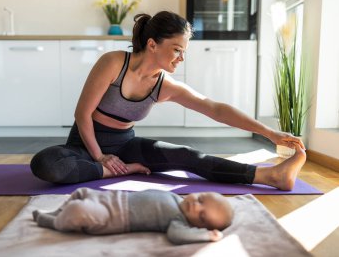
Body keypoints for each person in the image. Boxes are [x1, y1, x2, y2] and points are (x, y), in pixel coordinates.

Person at [30, 11, 306, 191]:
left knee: (187, 155)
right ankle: (110, 171)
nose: (181, 58)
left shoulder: (165, 86)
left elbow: (215, 109)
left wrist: (269, 133)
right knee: (46, 163)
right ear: (152, 44)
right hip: (85, 145)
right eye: (176, 50)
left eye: (183, 51)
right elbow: (82, 114)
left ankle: (270, 176)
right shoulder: (113, 63)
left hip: (126, 146)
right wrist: (101, 158)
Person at [33, 188, 233, 244]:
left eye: (202, 217)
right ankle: (56, 212)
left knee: (79, 210)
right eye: (201, 198)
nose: (195, 206)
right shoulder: (175, 198)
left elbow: (177, 236)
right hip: (114, 197)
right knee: (81, 193)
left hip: (113, 217)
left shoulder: (178, 222)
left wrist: (206, 236)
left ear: (199, 226)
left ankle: (54, 222)